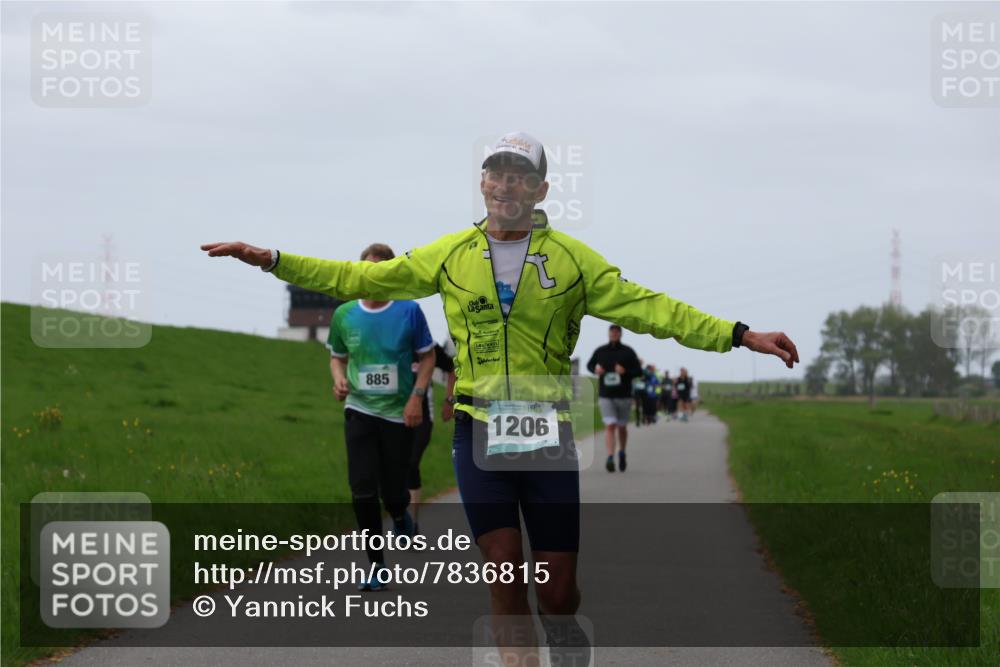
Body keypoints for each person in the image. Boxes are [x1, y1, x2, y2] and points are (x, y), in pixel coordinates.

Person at [202, 131, 799, 663]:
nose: (506, 184)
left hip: (547, 436)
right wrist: (273, 260)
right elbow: (362, 278)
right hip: (479, 431)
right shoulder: (450, 255)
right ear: (483, 183)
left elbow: (652, 308)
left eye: (520, 175)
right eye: (497, 173)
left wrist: (739, 334)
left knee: (556, 592)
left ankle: (564, 635)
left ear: (540, 190)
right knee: (504, 575)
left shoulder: (573, 261)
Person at [325, 243, 436, 591]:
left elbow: (428, 357)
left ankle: (401, 515)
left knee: (393, 493)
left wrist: (417, 397)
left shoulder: (409, 311)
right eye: (367, 270)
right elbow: (337, 357)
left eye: (380, 270)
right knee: (361, 489)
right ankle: (377, 566)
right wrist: (338, 379)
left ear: (391, 274)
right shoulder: (345, 314)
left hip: (398, 415)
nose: (372, 276)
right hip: (359, 409)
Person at [408, 340, 456, 535]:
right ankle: (400, 517)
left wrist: (449, 400)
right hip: (392, 417)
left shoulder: (427, 345)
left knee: (411, 464)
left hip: (422, 418)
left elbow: (452, 368)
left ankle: (411, 525)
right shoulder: (390, 341)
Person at [586, 324, 642, 473]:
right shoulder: (601, 351)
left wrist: (625, 371)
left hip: (624, 395)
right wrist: (596, 370)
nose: (614, 334)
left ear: (620, 334)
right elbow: (589, 365)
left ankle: (622, 452)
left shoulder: (628, 351)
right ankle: (610, 457)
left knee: (621, 427)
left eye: (617, 332)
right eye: (612, 332)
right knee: (610, 425)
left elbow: (638, 371)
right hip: (606, 394)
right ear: (609, 334)